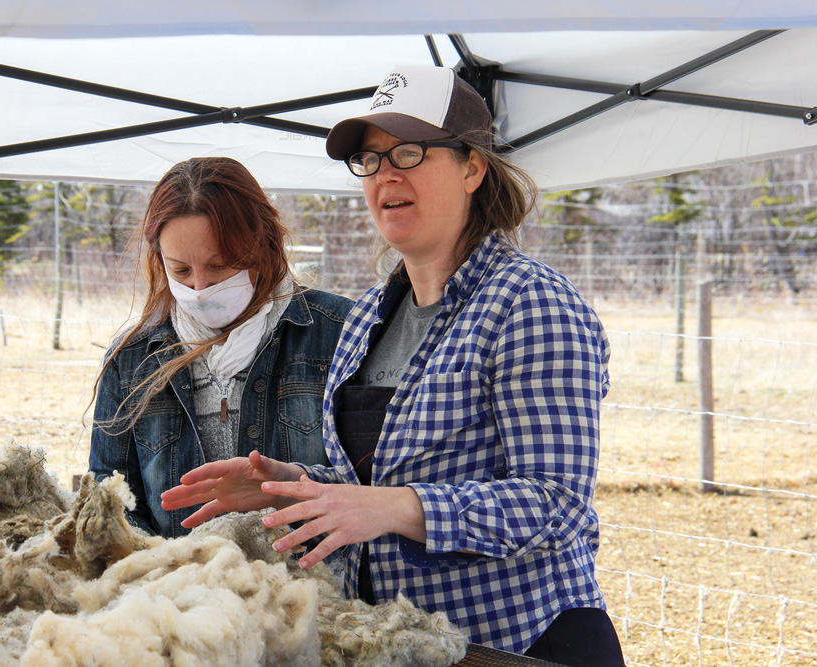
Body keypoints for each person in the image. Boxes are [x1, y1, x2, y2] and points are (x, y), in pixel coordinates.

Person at [161, 66, 624, 665]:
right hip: (408, 644)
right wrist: (289, 488)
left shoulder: (530, 306)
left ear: (472, 168)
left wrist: (399, 506)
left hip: (523, 642)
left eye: (409, 152)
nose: (386, 175)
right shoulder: (371, 315)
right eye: (370, 160)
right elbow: (369, 494)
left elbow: (556, 503)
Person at [88, 156, 353, 538]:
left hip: (310, 588)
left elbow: (372, 485)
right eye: (180, 270)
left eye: (219, 266)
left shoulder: (341, 333)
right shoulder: (132, 359)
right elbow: (111, 496)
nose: (199, 287)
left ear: (261, 247)